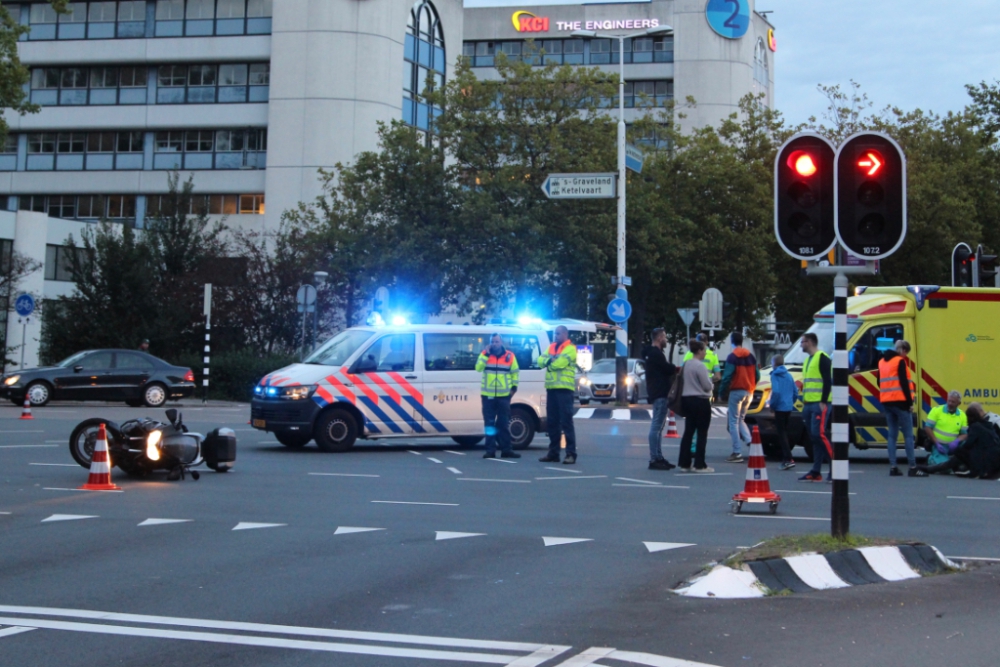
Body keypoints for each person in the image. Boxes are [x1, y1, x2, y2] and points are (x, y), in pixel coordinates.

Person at [916, 403, 1000, 478]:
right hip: (995, 462)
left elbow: (968, 445)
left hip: (985, 464)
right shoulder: (987, 424)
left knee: (959, 451)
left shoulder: (975, 427)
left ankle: (934, 468)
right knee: (960, 453)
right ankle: (934, 468)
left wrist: (955, 450)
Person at [475, 333, 521, 459]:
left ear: (501, 342)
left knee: (503, 424)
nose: (495, 344)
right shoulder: (485, 354)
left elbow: (515, 373)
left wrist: (514, 388)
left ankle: (506, 450)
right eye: (492, 342)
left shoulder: (510, 356)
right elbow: (478, 368)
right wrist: (486, 354)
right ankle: (490, 451)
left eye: (497, 341)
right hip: (488, 396)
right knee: (489, 424)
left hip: (504, 396)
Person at [538, 325, 578, 465]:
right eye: (555, 333)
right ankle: (553, 453)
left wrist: (549, 362)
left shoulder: (570, 348)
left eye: (558, 333)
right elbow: (539, 360)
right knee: (552, 423)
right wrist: (550, 361)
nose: (556, 336)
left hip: (564, 390)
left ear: (566, 334)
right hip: (552, 389)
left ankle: (570, 454)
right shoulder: (552, 347)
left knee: (566, 422)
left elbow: (560, 364)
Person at [719, 331, 759, 463]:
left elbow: (727, 377)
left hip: (737, 391)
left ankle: (737, 452)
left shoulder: (732, 357)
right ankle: (752, 446)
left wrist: (721, 393)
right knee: (741, 419)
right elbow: (757, 375)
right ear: (742, 341)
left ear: (732, 341)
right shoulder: (751, 357)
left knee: (733, 422)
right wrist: (751, 385)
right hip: (749, 391)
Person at [798, 332, 833, 482]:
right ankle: (816, 471)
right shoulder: (808, 361)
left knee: (819, 435)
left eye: (803, 342)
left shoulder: (822, 357)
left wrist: (823, 400)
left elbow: (827, 380)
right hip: (809, 403)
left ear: (811, 342)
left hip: (819, 403)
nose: (801, 344)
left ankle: (836, 467)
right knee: (814, 437)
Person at [879, 340, 917, 476]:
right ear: (903, 350)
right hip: (900, 402)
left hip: (886, 402)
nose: (905, 356)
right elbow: (904, 383)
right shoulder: (900, 361)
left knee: (892, 436)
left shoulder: (882, 361)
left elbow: (880, 382)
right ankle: (912, 467)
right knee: (908, 435)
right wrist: (909, 403)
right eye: (906, 353)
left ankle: (893, 467)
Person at [642, 327, 677, 470]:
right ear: (658, 338)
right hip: (660, 393)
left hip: (655, 393)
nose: (666, 340)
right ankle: (655, 458)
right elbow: (667, 369)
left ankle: (658, 457)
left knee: (658, 427)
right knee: (656, 427)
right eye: (664, 337)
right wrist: (675, 368)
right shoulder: (656, 355)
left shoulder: (650, 354)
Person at [678, 339, 714, 473]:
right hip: (700, 401)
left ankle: (684, 463)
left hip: (687, 400)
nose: (705, 353)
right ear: (699, 351)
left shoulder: (686, 364)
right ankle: (700, 464)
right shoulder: (700, 366)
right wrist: (712, 385)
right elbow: (706, 386)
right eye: (704, 350)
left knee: (688, 432)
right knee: (702, 433)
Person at [922, 390, 968, 472]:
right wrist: (936, 442)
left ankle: (960, 462)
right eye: (949, 401)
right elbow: (927, 428)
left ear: (958, 403)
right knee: (945, 469)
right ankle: (930, 459)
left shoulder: (962, 415)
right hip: (939, 445)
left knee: (968, 443)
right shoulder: (936, 411)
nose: (950, 403)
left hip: (953, 446)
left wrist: (957, 441)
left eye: (953, 402)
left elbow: (965, 434)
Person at [768, 354, 796, 470]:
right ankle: (787, 458)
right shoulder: (789, 376)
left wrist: (772, 405)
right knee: (785, 432)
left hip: (779, 408)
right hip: (788, 407)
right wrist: (790, 402)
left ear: (774, 363)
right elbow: (795, 392)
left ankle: (788, 458)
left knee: (781, 433)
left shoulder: (775, 375)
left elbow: (776, 392)